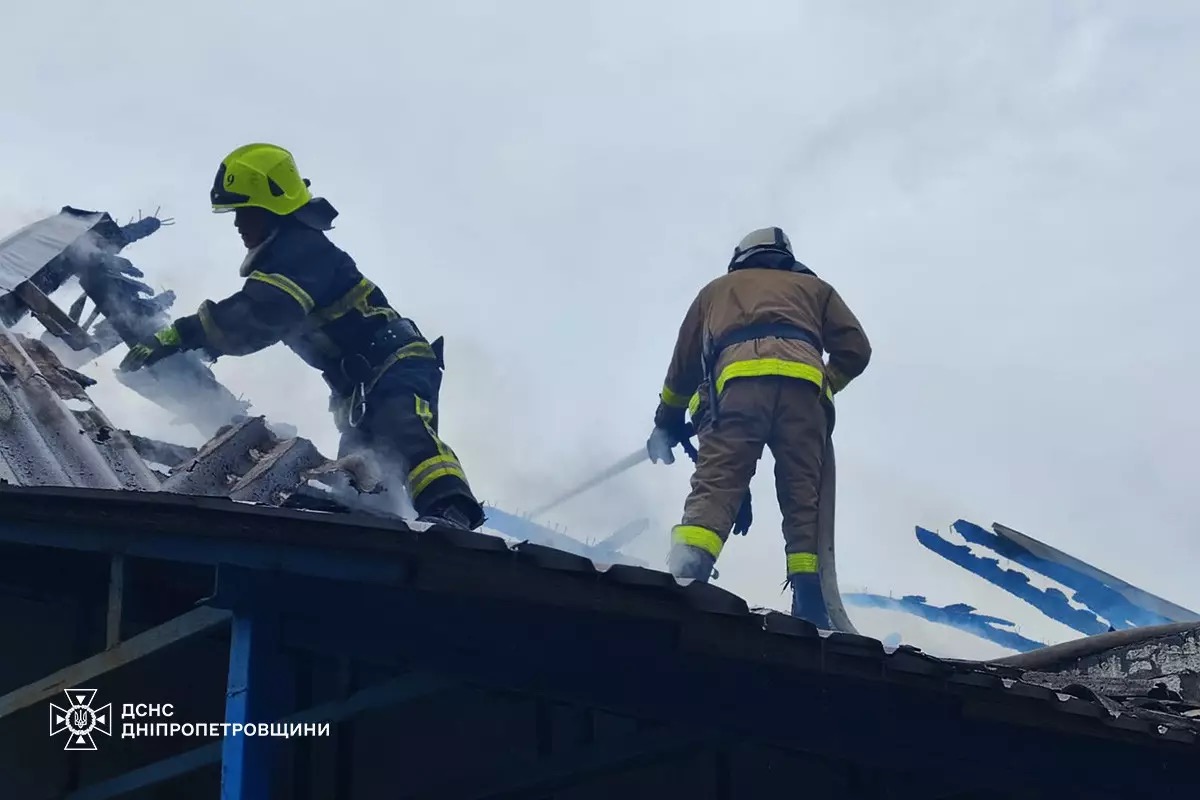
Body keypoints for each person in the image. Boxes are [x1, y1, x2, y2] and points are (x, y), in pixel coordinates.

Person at [119, 143, 485, 531]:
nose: (239, 224)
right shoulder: (287, 256)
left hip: (396, 365)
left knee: (403, 426)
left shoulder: (302, 251)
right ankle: (382, 533)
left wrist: (184, 333)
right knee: (358, 475)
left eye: (247, 212)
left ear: (274, 209)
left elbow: (259, 314)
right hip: (359, 386)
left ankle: (452, 510)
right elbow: (255, 320)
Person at [646, 226, 871, 626]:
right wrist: (824, 383)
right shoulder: (816, 290)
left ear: (740, 257)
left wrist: (666, 423)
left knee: (717, 484)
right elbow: (856, 348)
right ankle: (810, 604)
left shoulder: (716, 291)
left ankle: (686, 575)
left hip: (738, 394)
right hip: (804, 403)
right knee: (804, 499)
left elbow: (682, 370)